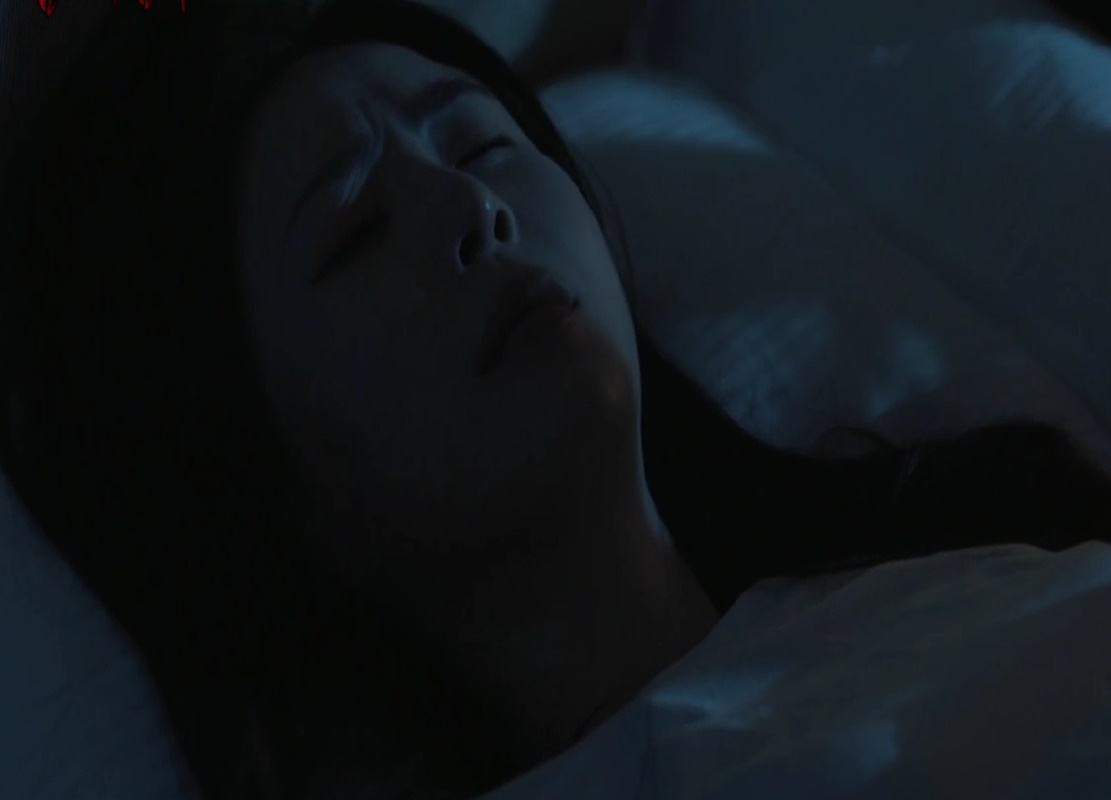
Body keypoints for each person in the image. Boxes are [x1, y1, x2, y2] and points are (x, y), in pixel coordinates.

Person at [2, 1, 1110, 798]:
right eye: (355, 233)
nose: (469, 210)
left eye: (483, 142)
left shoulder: (979, 552)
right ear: (264, 481)